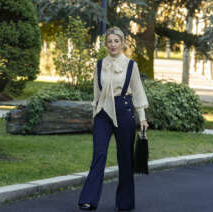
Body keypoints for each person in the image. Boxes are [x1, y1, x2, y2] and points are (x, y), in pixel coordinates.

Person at [78, 27, 149, 211]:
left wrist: (142, 117)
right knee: (99, 154)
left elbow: (138, 92)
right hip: (103, 113)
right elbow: (96, 92)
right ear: (106, 44)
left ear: (122, 43)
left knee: (125, 158)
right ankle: (89, 199)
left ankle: (124, 203)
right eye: (109, 41)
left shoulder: (131, 65)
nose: (113, 45)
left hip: (124, 111)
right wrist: (95, 113)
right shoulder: (100, 64)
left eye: (116, 41)